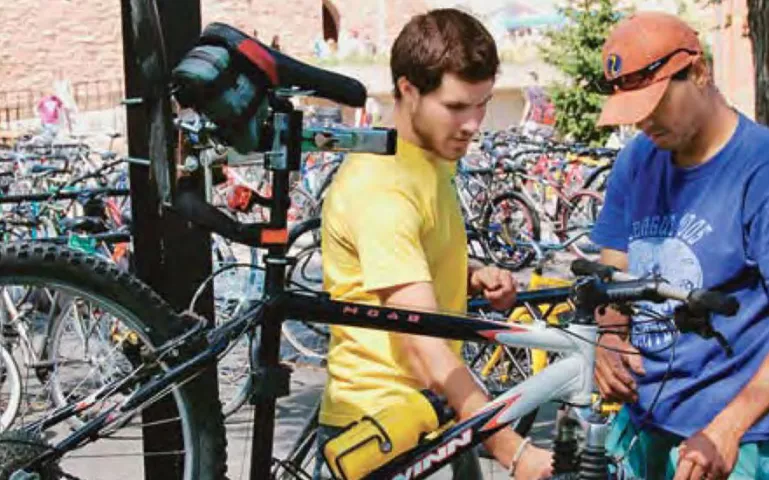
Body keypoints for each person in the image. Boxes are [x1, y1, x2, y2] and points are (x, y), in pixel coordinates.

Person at [316, 8, 553, 480]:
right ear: (408, 90)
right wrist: (514, 451)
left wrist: (466, 276)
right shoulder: (384, 187)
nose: (472, 124)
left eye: (481, 104)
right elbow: (422, 345)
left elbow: (388, 274)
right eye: (456, 107)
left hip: (438, 417)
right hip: (384, 431)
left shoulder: (425, 158)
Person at [590, 11, 769, 480]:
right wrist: (611, 333)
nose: (643, 122)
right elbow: (614, 265)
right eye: (632, 111)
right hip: (643, 421)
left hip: (735, 440)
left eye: (654, 103)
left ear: (699, 71)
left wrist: (727, 431)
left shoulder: (759, 169)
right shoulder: (637, 159)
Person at [519, 71, 555, 139]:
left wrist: (523, 120)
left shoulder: (529, 90)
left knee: (526, 142)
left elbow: (528, 104)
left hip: (533, 121)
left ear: (531, 79)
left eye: (526, 79)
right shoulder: (544, 91)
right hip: (546, 123)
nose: (525, 81)